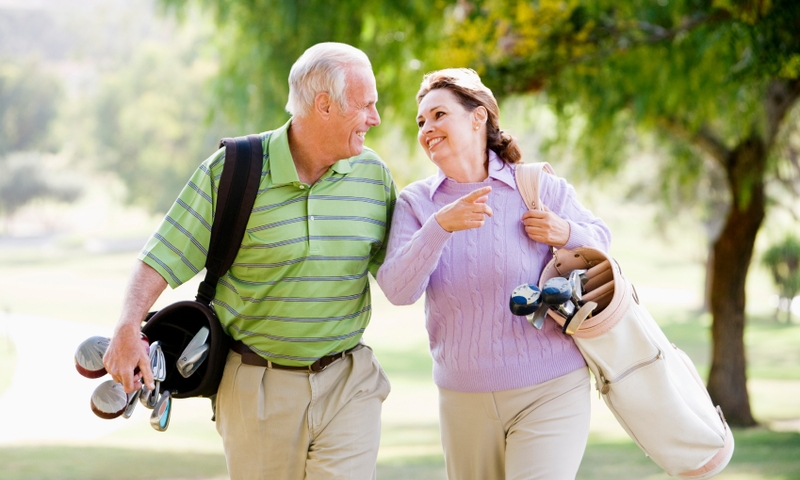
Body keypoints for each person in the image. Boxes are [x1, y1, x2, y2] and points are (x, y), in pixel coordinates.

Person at [103, 42, 395, 480]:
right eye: (366, 105)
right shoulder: (233, 170)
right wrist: (128, 326)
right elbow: (161, 257)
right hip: (258, 385)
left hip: (348, 381)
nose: (375, 118)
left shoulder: (372, 176)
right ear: (324, 106)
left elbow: (404, 269)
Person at [376, 68, 612, 480]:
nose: (427, 128)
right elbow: (396, 290)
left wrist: (566, 231)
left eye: (438, 115)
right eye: (421, 121)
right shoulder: (416, 202)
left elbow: (603, 243)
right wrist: (441, 226)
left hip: (552, 387)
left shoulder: (535, 185)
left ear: (478, 116)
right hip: (463, 399)